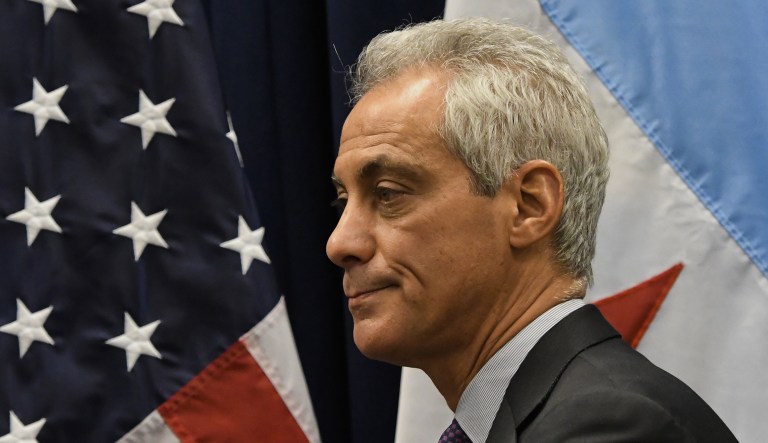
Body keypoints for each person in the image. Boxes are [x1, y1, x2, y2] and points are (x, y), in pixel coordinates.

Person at [326, 18, 736, 443]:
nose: (340, 243)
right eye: (343, 202)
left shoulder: (612, 425)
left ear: (529, 206)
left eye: (388, 194)